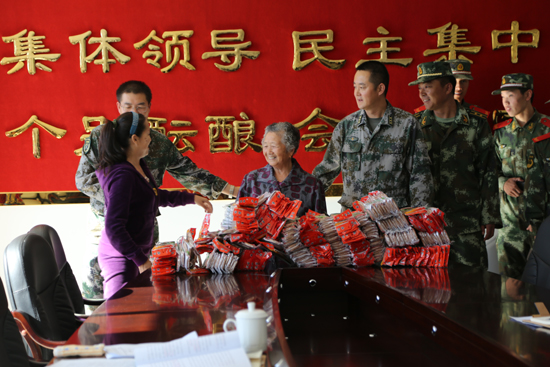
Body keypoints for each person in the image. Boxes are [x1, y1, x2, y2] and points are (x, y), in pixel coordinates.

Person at [75, 81, 237, 300]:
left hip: (143, 227)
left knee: (145, 294)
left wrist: (225, 190)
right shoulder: (102, 140)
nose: (134, 112)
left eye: (140, 107)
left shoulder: (152, 142)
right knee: (107, 300)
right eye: (128, 106)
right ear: (118, 107)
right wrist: (124, 199)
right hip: (110, 228)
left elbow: (184, 173)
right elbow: (85, 181)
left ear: (149, 108)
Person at [96, 111, 213, 299]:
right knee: (122, 316)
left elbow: (152, 196)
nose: (151, 139)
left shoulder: (138, 165)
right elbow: (114, 226)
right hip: (121, 258)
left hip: (135, 253)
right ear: (135, 139)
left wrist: (191, 198)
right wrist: (141, 261)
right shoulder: (122, 176)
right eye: (148, 134)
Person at [409, 61, 500, 269]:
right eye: (420, 88)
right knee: (430, 290)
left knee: (472, 287)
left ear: (448, 88)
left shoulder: (476, 124)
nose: (422, 93)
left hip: (466, 223)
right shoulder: (414, 125)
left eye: (428, 87)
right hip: (426, 226)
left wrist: (490, 215)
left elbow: (488, 170)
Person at [313, 60, 433, 211]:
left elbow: (421, 176)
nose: (356, 93)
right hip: (353, 222)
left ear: (380, 88)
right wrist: (301, 201)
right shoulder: (346, 126)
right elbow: (325, 171)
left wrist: (419, 218)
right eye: (355, 87)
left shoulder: (407, 125)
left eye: (362, 87)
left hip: (392, 221)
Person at [492, 73, 550, 279]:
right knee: (511, 293)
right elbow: (489, 170)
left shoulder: (547, 129)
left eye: (510, 96)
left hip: (544, 225)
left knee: (544, 292)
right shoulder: (500, 133)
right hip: (511, 226)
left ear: (528, 94)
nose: (505, 102)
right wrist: (502, 183)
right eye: (502, 97)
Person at [237, 122, 326, 217]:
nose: (269, 152)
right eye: (266, 146)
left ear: (291, 150)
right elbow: (237, 219)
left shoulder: (312, 185)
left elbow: (320, 226)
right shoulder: (251, 180)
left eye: (274, 146)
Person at [413, 59, 493, 129]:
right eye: (455, 82)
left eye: (463, 81)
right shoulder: (418, 118)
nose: (458, 88)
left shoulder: (477, 118)